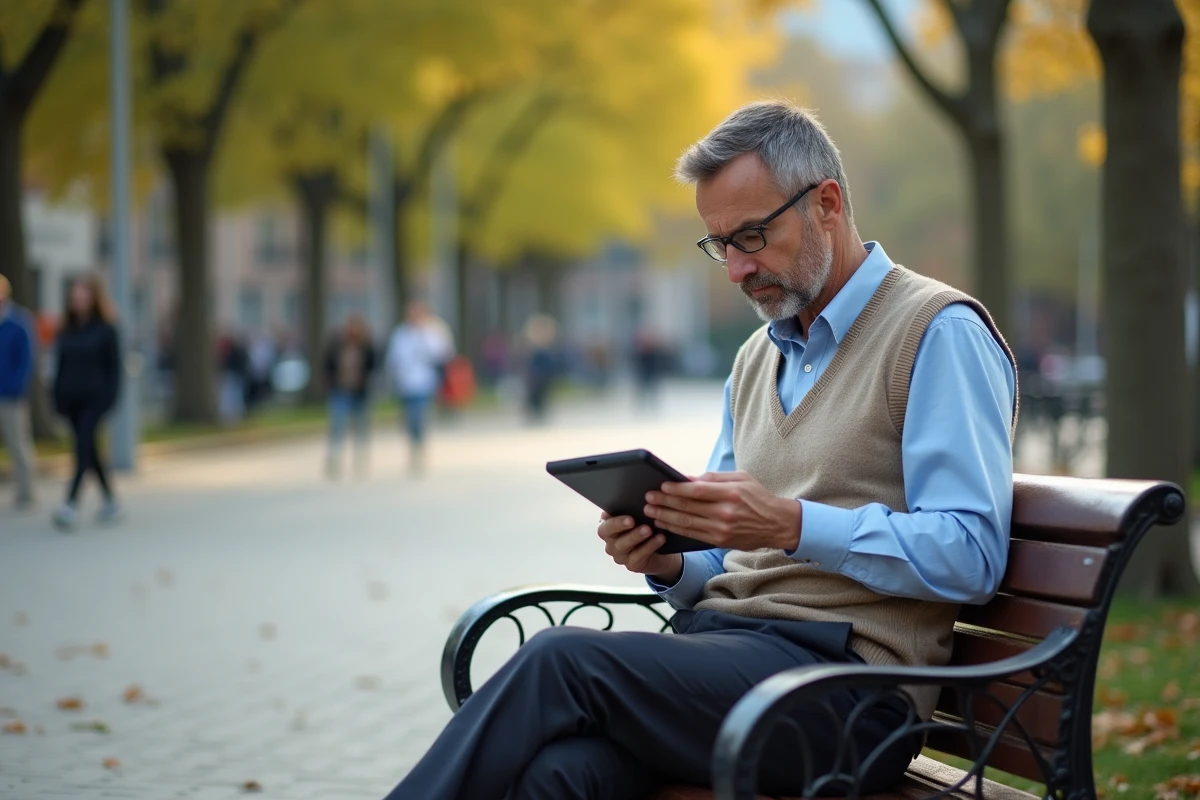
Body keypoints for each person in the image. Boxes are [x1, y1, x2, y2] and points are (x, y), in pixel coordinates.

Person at [381, 101, 1017, 800]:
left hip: (849, 695)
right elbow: (730, 551)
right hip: (729, 659)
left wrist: (791, 524)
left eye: (752, 236)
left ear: (827, 203)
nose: (737, 269)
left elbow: (971, 554)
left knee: (559, 661)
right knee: (557, 778)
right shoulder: (755, 358)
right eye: (721, 245)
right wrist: (673, 561)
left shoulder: (936, 332)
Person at [52, 273, 123, 530]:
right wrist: (56, 399)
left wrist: (110, 399)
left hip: (95, 400)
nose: (79, 300)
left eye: (84, 295)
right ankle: (111, 500)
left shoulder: (106, 330)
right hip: (71, 400)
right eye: (75, 296)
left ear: (93, 298)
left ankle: (69, 504)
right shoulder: (67, 330)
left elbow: (115, 370)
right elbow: (60, 367)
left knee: (82, 448)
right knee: (89, 450)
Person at [385, 301, 453, 475]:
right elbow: (394, 357)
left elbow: (443, 353)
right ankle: (413, 447)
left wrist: (424, 338)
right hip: (405, 383)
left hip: (424, 382)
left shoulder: (432, 331)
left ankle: (419, 447)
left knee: (419, 417)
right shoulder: (400, 333)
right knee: (408, 419)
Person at [323, 314, 377, 479]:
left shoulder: (366, 346)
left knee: (361, 426)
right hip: (340, 391)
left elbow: (373, 366)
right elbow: (327, 365)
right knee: (338, 425)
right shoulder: (336, 345)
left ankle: (360, 458)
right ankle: (334, 458)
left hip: (360, 393)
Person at [0, 274, 36, 509]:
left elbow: (26, 361)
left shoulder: (19, 322)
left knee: (18, 444)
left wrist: (14, 387)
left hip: (11, 397)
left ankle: (26, 493)